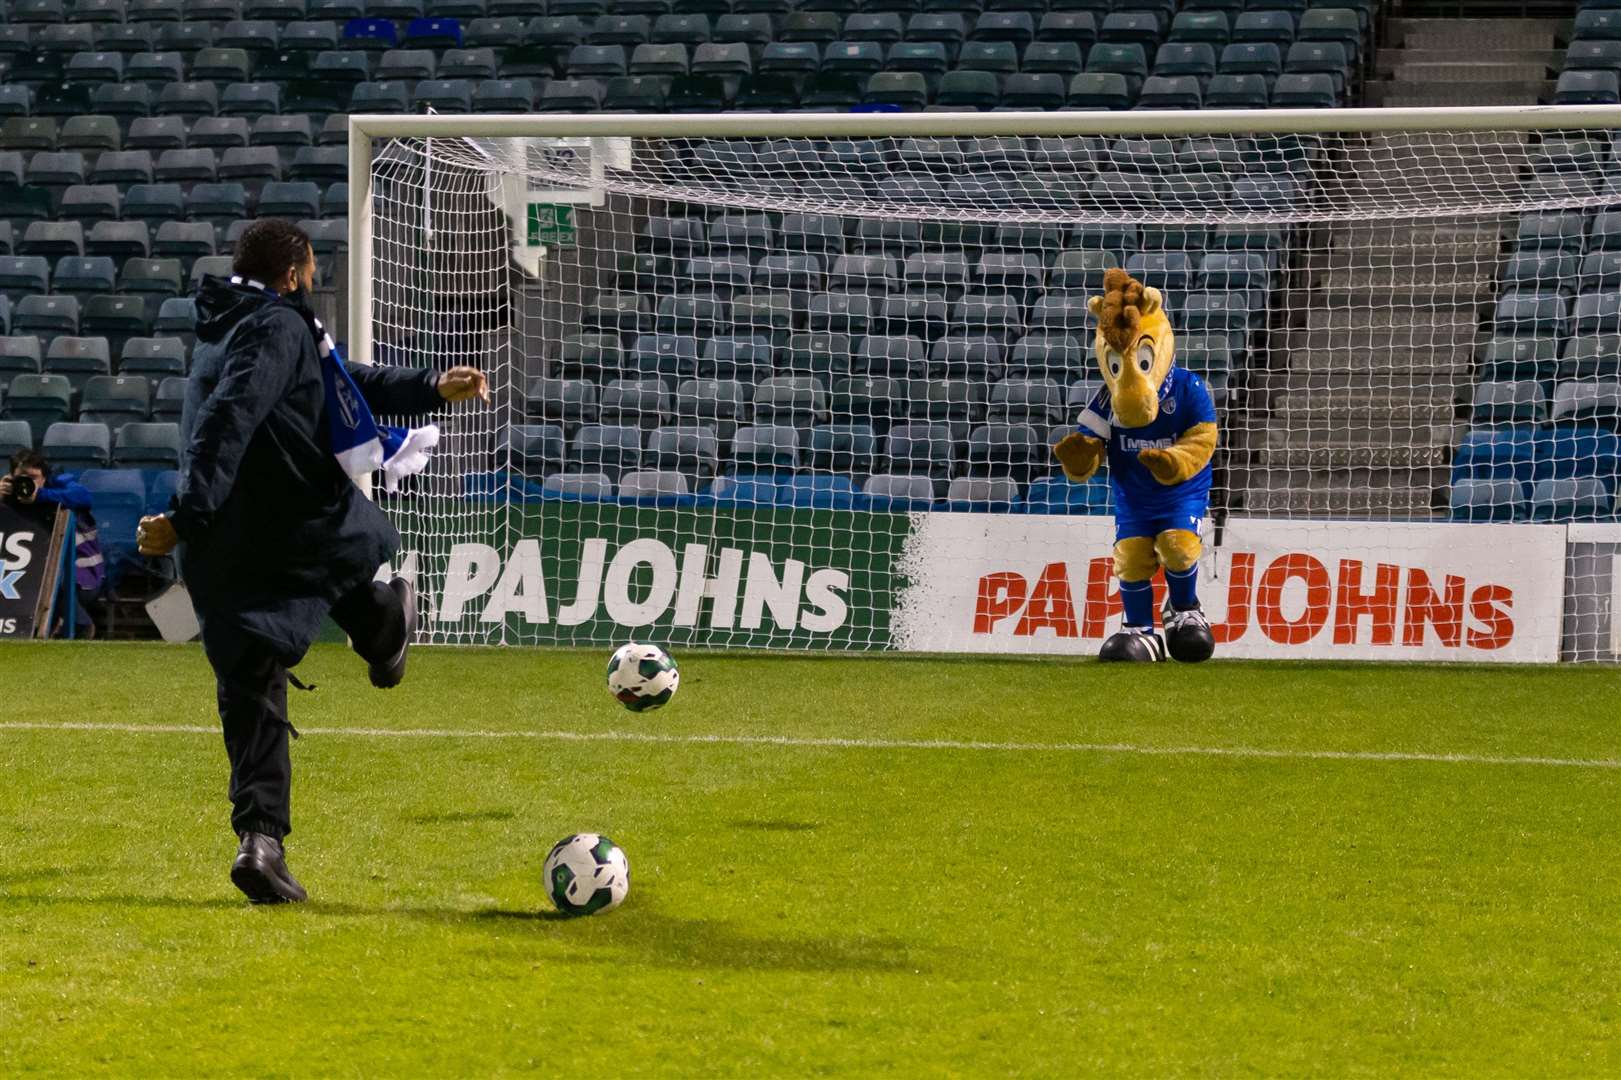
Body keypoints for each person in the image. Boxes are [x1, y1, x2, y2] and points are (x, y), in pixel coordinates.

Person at [136, 219, 489, 905]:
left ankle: (260, 843)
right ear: (296, 273)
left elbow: (345, 384)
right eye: (312, 272)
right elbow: (229, 417)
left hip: (227, 548)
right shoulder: (279, 328)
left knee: (251, 690)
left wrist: (428, 385)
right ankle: (384, 622)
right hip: (279, 527)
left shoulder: (231, 326)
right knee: (337, 569)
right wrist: (186, 513)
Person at [2, 449, 106, 638]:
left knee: (50, 579)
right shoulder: (9, 493)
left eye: (33, 477)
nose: (27, 483)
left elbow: (84, 497)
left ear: (45, 478)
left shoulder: (61, 485)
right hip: (30, 572)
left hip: (81, 576)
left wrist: (40, 496)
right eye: (20, 477)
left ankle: (80, 624)